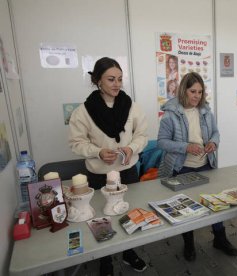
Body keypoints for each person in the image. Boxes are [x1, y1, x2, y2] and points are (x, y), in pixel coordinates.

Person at [68, 57, 148, 275]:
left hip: (128, 171)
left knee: (129, 212)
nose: (117, 84)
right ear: (97, 81)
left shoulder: (131, 106)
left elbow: (142, 135)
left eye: (120, 79)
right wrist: (98, 152)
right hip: (98, 175)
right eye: (111, 79)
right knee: (101, 219)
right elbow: (76, 142)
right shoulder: (84, 111)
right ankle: (105, 260)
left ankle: (129, 252)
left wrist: (131, 148)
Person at [157, 72, 237, 261]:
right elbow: (162, 142)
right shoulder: (170, 115)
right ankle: (189, 243)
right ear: (183, 90)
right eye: (193, 91)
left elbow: (216, 133)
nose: (197, 96)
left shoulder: (206, 111)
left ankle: (220, 238)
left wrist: (213, 143)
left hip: (205, 165)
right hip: (182, 167)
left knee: (215, 202)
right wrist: (186, 147)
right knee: (187, 208)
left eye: (200, 92)